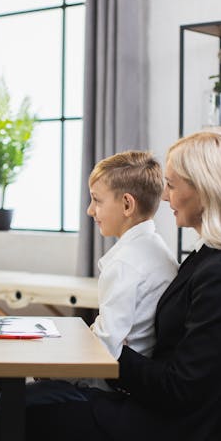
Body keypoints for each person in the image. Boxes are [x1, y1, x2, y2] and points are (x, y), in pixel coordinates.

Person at [0, 131, 221, 441]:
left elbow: (179, 389)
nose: (165, 196)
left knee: (4, 421)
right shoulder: (213, 260)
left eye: (172, 185)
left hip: (174, 435)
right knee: (16, 424)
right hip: (163, 420)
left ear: (206, 188)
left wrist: (109, 351)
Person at [76, 150, 177, 390]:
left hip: (117, 390)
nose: (90, 210)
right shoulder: (157, 249)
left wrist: (50, 373)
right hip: (138, 381)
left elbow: (104, 347)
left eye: (97, 200)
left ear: (127, 204)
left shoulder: (125, 264)